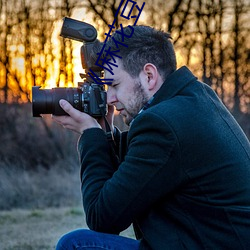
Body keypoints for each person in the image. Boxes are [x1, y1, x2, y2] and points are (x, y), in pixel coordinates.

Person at [52, 25, 250, 249]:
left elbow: (103, 219)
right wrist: (105, 133)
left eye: (115, 85)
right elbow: (139, 170)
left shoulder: (162, 124)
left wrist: (90, 135)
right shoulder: (194, 98)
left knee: (77, 244)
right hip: (214, 240)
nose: (110, 99)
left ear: (148, 75)